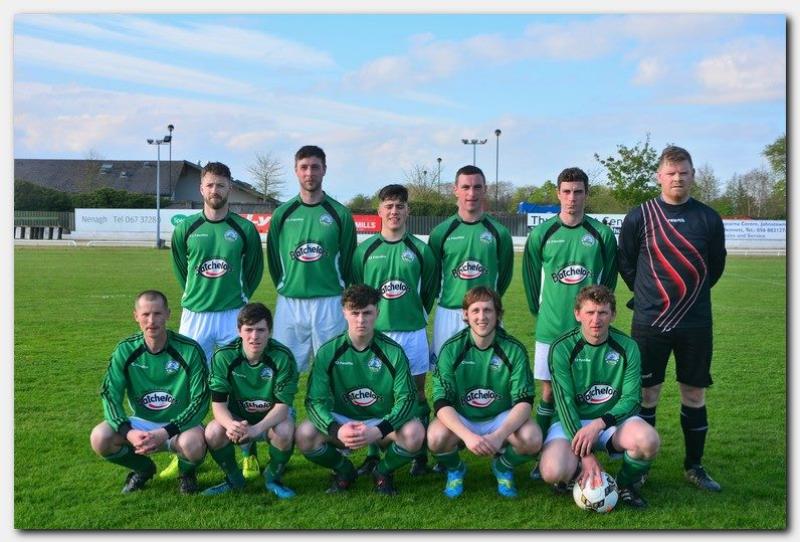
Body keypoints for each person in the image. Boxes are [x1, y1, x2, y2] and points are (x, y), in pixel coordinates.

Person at [618, 145, 726, 492]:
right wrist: (651, 296)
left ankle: (694, 466)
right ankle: (642, 465)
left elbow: (716, 265)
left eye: (684, 172)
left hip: (695, 323)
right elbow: (627, 262)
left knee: (694, 393)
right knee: (647, 393)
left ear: (693, 175)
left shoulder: (709, 218)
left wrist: (688, 296)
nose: (677, 178)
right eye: (671, 172)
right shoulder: (640, 215)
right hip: (650, 323)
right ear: (659, 176)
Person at [169, 161, 264, 481]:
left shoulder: (244, 229)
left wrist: (236, 299)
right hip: (195, 316)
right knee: (190, 386)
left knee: (237, 384)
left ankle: (248, 452)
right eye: (210, 185)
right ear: (201, 188)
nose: (215, 190)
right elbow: (182, 269)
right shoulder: (186, 228)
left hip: (231, 316)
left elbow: (253, 271)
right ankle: (183, 452)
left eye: (221, 185)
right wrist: (199, 296)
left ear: (229, 188)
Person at [521, 167, 617, 479]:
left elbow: (608, 286)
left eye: (578, 192)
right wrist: (546, 316)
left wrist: (594, 320)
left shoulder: (601, 235)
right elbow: (532, 283)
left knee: (584, 390)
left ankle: (580, 447)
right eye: (566, 191)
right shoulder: (542, 234)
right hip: (551, 329)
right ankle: (543, 456)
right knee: (549, 393)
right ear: (558, 193)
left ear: (586, 194)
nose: (572, 198)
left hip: (588, 332)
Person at [295, 284, 425, 496]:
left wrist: (378, 430)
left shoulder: (393, 352)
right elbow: (314, 400)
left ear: (378, 312)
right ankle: (345, 471)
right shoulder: (328, 352)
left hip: (381, 420)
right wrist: (337, 429)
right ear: (344, 312)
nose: (361, 320)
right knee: (304, 434)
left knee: (415, 433)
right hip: (344, 420)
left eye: (367, 313)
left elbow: (407, 399)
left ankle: (382, 471)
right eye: (354, 313)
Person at [539, 285, 659, 509]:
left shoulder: (628, 347)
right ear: (578, 314)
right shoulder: (562, 347)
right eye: (590, 312)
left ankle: (623, 484)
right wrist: (585, 456)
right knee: (552, 471)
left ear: (612, 315)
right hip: (570, 421)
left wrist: (600, 423)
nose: (596, 320)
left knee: (648, 440)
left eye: (603, 313)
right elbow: (564, 404)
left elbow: (632, 400)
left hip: (609, 422)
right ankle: (579, 472)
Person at [351, 184, 439, 477]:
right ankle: (374, 455)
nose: (394, 212)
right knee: (377, 393)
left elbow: (429, 290)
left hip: (411, 332)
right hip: (378, 334)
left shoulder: (420, 249)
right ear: (379, 211)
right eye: (388, 206)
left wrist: (416, 314)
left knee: (417, 393)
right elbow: (357, 292)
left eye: (399, 206)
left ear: (407, 211)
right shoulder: (365, 251)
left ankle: (420, 455)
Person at [89, 290, 209, 494]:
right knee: (100, 437)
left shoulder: (189, 350)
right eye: (145, 314)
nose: (151, 320)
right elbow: (111, 396)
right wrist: (130, 432)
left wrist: (165, 432)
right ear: (136, 316)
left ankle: (186, 473)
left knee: (194, 444)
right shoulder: (125, 350)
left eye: (157, 314)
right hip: (142, 424)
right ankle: (143, 469)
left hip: (179, 426)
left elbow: (200, 400)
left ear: (168, 314)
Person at [428, 286, 541, 499]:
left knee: (532, 438)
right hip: (464, 416)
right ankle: (455, 470)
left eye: (488, 310)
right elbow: (441, 402)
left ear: (498, 314)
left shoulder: (513, 349)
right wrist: (467, 436)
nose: (482, 317)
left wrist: (499, 436)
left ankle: (503, 466)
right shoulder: (451, 349)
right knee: (435, 437)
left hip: (499, 417)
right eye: (476, 310)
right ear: (465, 315)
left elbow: (525, 401)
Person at [267, 145, 357, 373]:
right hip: (290, 303)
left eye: (315, 167)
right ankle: (285, 411)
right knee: (283, 370)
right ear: (296, 171)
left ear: (324, 170)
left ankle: (330, 411)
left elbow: (349, 262)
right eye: (304, 167)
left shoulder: (340, 214)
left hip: (330, 302)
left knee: (334, 369)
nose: (309, 173)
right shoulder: (282, 214)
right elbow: (275, 260)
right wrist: (286, 284)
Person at [201, 302, 299, 498]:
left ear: (270, 331)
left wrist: (256, 429)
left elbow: (282, 407)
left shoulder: (282, 357)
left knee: (285, 431)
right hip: (238, 416)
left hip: (272, 416)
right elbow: (218, 404)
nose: (255, 336)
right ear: (239, 330)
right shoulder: (224, 357)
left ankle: (272, 479)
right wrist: (230, 425)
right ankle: (234, 479)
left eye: (261, 330)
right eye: (249, 330)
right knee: (213, 432)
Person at [428, 165, 514, 358]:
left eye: (477, 187)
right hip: (449, 313)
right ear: (455, 190)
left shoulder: (499, 233)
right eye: (466, 187)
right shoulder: (441, 232)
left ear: (485, 189)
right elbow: (432, 278)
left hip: (486, 313)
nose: (471, 193)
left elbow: (505, 276)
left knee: (487, 376)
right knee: (446, 378)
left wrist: (488, 300)